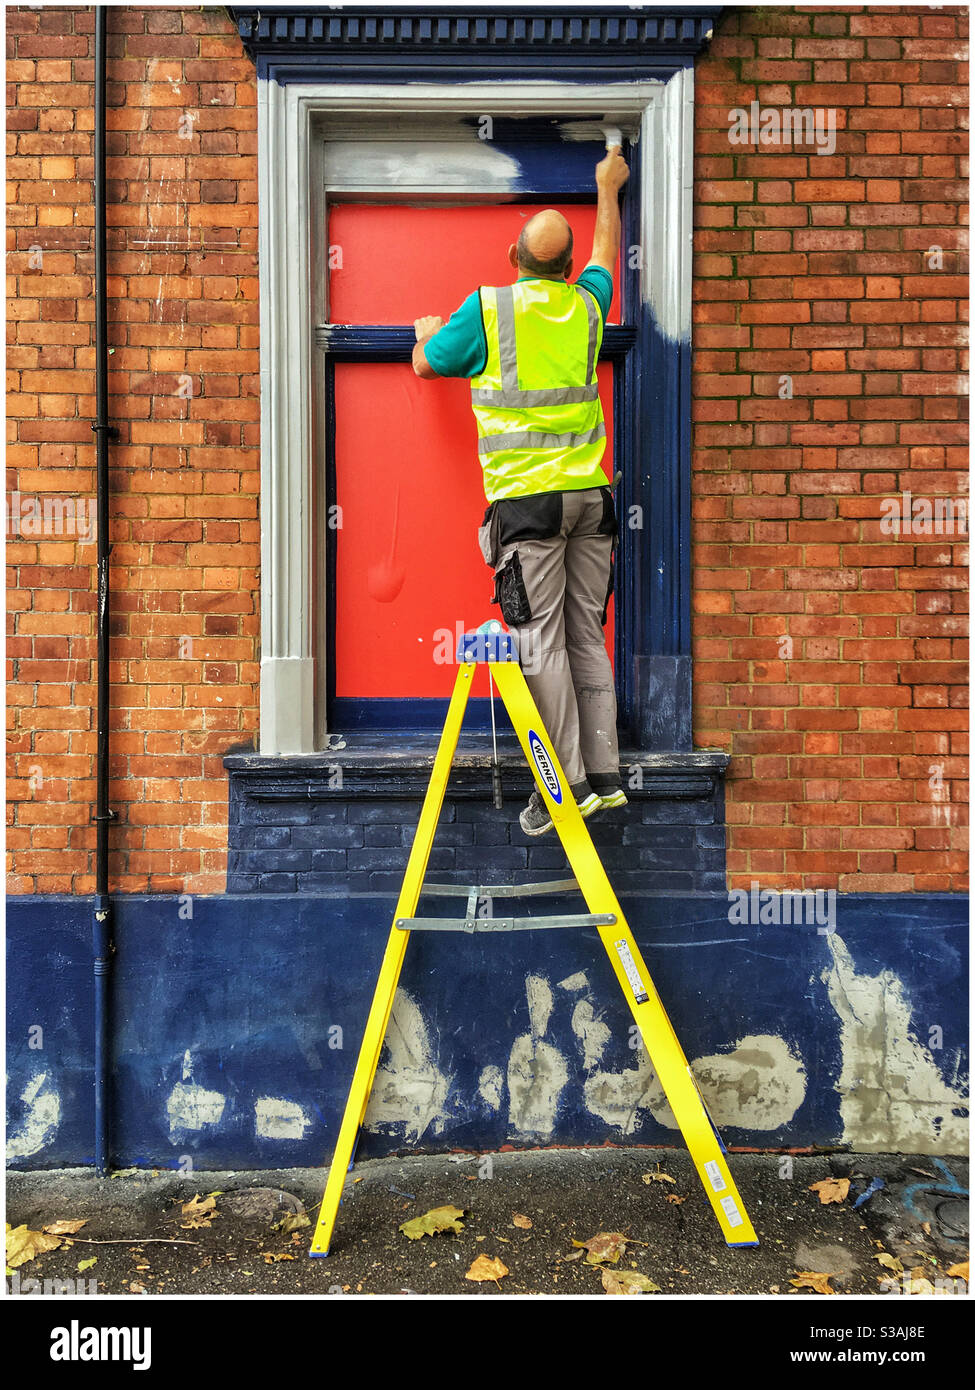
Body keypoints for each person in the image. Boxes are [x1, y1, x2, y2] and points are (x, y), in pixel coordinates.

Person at [412, 146, 630, 836]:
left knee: (537, 642)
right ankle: (603, 776)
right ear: (565, 270)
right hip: (590, 501)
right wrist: (607, 188)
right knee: (584, 636)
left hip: (528, 507)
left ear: (512, 256)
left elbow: (427, 365)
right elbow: (604, 254)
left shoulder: (487, 310)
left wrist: (422, 337)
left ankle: (562, 787)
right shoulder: (587, 306)